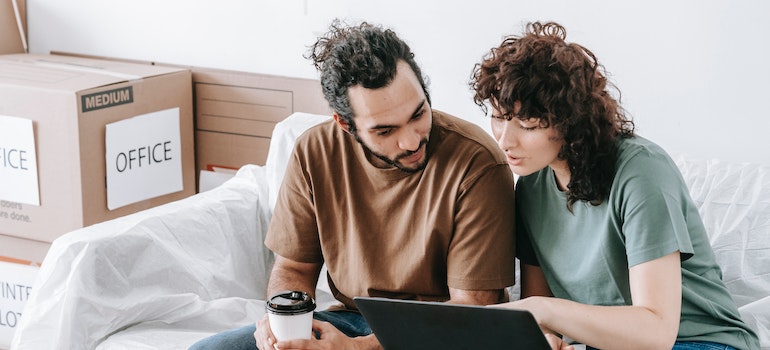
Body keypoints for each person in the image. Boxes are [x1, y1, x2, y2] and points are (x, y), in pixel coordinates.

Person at [190, 20, 516, 350]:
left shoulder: (478, 163)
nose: (411, 140)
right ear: (345, 124)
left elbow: (475, 310)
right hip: (351, 319)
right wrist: (285, 325)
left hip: (440, 334)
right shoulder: (313, 151)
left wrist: (360, 348)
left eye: (418, 114)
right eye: (385, 131)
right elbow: (292, 268)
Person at [470, 21, 760, 350]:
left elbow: (657, 332)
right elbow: (540, 315)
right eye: (498, 117)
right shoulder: (531, 183)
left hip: (699, 341)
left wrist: (542, 311)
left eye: (527, 124)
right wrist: (547, 338)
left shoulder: (640, 172)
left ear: (570, 120)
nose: (506, 141)